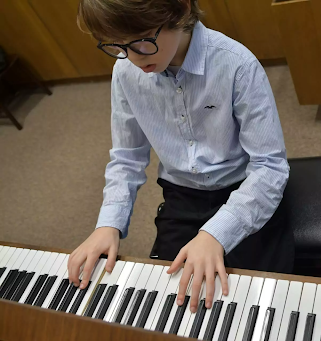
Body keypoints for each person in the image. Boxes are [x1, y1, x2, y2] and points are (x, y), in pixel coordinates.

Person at [67, 0, 294, 313]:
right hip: (182, 197)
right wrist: (108, 224)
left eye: (142, 41)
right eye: (118, 46)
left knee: (257, 301)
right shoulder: (124, 72)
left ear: (182, 10)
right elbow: (127, 157)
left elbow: (270, 167)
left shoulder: (236, 63)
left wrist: (217, 232)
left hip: (245, 190)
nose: (133, 58)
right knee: (172, 301)